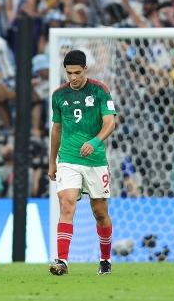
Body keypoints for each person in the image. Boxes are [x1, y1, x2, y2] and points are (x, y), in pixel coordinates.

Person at [48, 50, 116, 276]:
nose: (73, 77)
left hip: (95, 160)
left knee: (100, 212)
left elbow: (110, 122)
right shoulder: (58, 95)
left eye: (77, 72)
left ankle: (105, 258)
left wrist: (95, 141)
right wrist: (52, 162)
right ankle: (62, 261)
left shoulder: (100, 91)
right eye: (69, 73)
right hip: (68, 158)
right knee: (66, 203)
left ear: (85, 69)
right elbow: (56, 129)